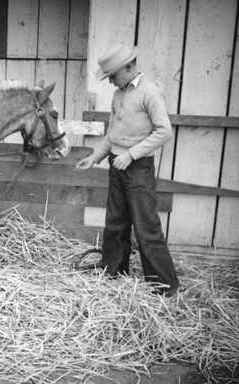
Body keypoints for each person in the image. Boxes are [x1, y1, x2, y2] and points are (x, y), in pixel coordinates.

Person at [75, 42, 179, 297]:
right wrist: (96, 157)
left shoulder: (149, 93)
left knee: (146, 227)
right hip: (115, 164)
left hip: (138, 169)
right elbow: (113, 132)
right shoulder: (119, 94)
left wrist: (131, 155)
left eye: (113, 76)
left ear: (129, 67)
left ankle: (165, 286)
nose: (111, 81)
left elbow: (165, 131)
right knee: (115, 222)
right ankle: (114, 271)